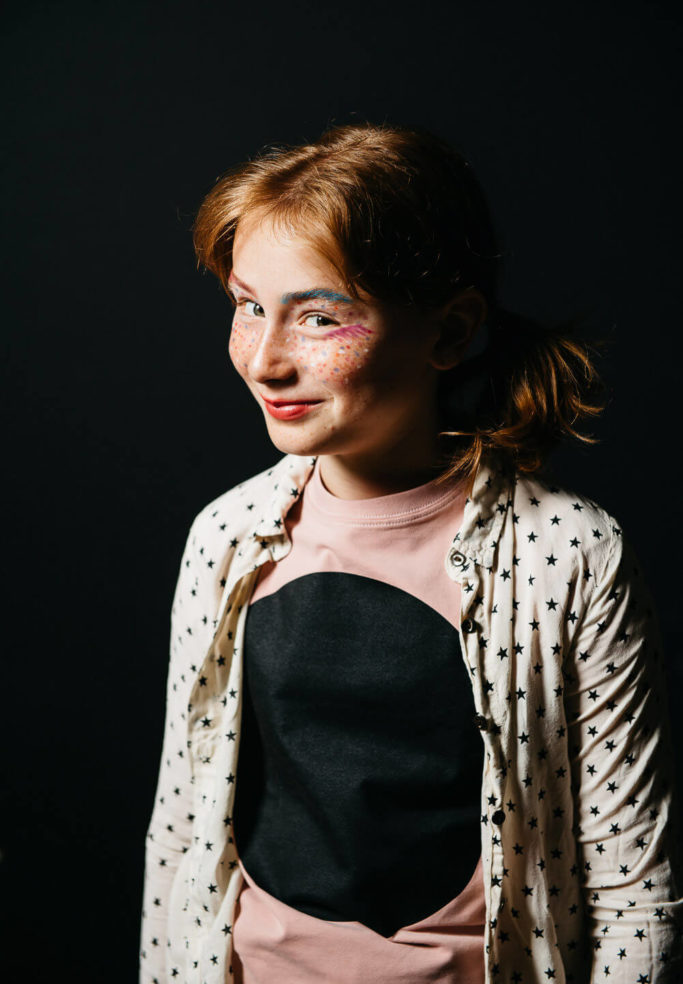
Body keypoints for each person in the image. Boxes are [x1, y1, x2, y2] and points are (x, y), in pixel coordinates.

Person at [139, 121, 682, 984]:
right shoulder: (227, 537)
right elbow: (180, 834)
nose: (266, 360)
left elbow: (629, 882)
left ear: (448, 331)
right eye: (248, 307)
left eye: (318, 316)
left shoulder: (567, 555)